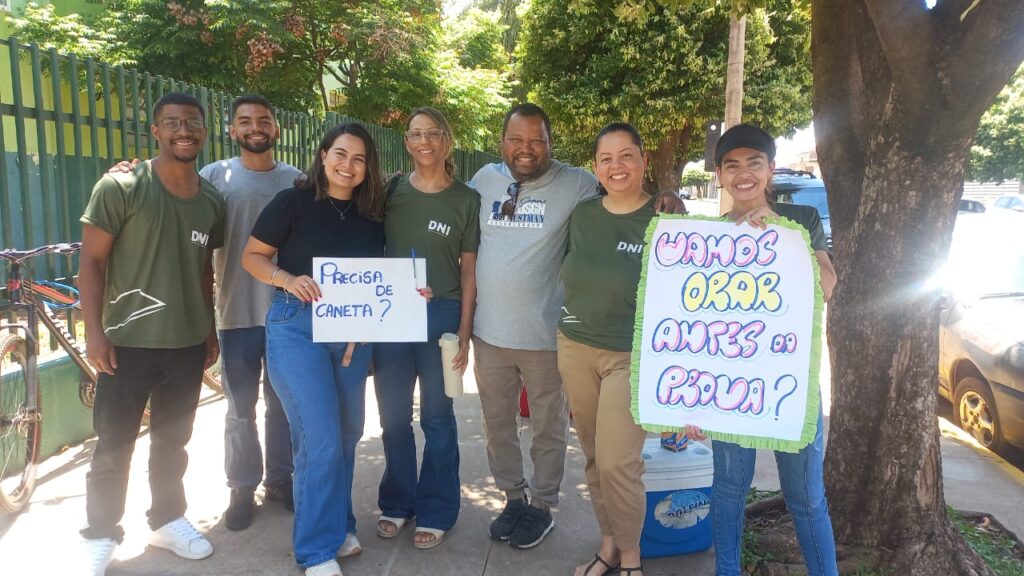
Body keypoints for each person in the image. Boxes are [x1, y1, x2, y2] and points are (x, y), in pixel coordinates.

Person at [469, 103, 685, 550]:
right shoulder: (483, 180)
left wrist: (667, 194)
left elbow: (624, 186)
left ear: (551, 144)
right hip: (488, 334)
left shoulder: (578, 183)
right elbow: (448, 203)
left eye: (537, 140)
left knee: (548, 429)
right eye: (516, 140)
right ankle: (513, 499)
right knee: (497, 426)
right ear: (502, 142)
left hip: (548, 335)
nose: (526, 149)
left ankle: (542, 506)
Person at [78, 92, 225, 576]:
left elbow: (203, 269)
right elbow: (91, 262)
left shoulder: (211, 201)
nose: (184, 130)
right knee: (113, 444)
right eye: (173, 123)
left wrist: (208, 329)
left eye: (193, 123)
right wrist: (94, 332)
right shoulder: (121, 186)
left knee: (173, 441)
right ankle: (101, 533)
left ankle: (166, 520)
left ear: (204, 132)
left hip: (186, 344)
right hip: (126, 344)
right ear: (156, 131)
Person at [683, 123, 839, 576]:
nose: (744, 174)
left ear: (770, 168)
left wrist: (781, 232)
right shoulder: (709, 237)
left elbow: (827, 286)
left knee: (806, 497)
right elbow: (694, 322)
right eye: (732, 165)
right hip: (729, 388)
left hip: (791, 387)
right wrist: (690, 400)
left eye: (754, 163)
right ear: (719, 175)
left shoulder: (801, 220)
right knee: (729, 488)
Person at [241, 123, 387, 576]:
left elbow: (379, 276)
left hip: (352, 331)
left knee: (346, 434)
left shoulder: (372, 215)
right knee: (319, 438)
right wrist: (287, 279)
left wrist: (405, 294)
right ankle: (316, 551)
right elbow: (252, 257)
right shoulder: (293, 201)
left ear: (368, 167)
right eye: (340, 154)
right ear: (323, 155)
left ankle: (339, 526)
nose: (348, 165)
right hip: (296, 327)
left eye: (359, 159)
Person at [373, 107, 479, 549]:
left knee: (437, 416)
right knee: (394, 417)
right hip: (393, 315)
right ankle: (398, 501)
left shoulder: (466, 199)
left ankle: (437, 508)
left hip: (442, 317)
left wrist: (465, 333)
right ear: (406, 141)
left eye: (433, 133)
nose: (424, 142)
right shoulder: (391, 191)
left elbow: (469, 272)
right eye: (415, 134)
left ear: (446, 140)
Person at [197, 95, 298, 531]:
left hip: (287, 314)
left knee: (283, 406)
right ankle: (241, 486)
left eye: (263, 120)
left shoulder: (296, 180)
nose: (255, 127)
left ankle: (280, 479)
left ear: (276, 129)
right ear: (232, 130)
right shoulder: (212, 177)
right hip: (235, 313)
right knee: (240, 409)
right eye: (245, 121)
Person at [557, 123, 655, 576]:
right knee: (595, 458)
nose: (617, 167)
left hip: (631, 356)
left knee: (619, 462)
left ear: (644, 161)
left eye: (626, 156)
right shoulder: (582, 215)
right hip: (575, 347)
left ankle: (631, 558)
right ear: (595, 167)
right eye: (606, 159)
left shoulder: (664, 219)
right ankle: (609, 545)